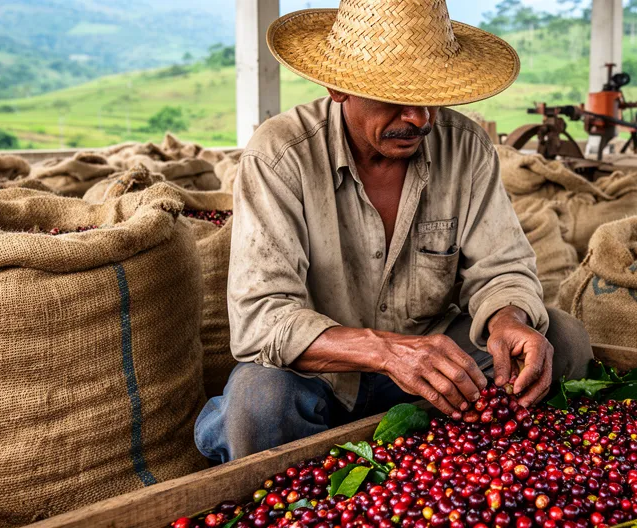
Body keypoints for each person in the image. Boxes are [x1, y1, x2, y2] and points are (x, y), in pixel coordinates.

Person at [194, 0, 595, 463]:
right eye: (395, 97)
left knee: (561, 337)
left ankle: (481, 458)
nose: (420, 118)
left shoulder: (465, 148)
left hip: (439, 364)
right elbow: (260, 318)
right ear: (337, 86)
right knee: (257, 403)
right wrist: (386, 351)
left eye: (430, 97)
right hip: (322, 375)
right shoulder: (280, 156)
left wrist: (506, 320)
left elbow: (501, 267)